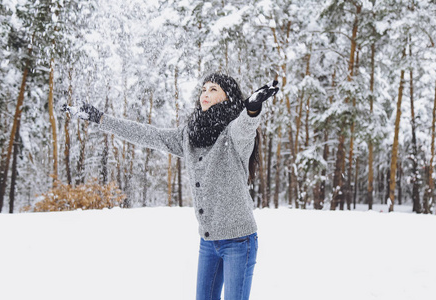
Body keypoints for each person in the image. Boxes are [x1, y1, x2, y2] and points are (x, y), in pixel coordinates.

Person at [63, 73, 279, 300]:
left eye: (214, 89)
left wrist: (252, 108)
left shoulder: (232, 135)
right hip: (208, 241)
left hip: (239, 240)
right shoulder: (189, 136)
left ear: (228, 98)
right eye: (204, 89)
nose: (206, 93)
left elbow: (245, 127)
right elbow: (150, 134)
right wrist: (101, 119)